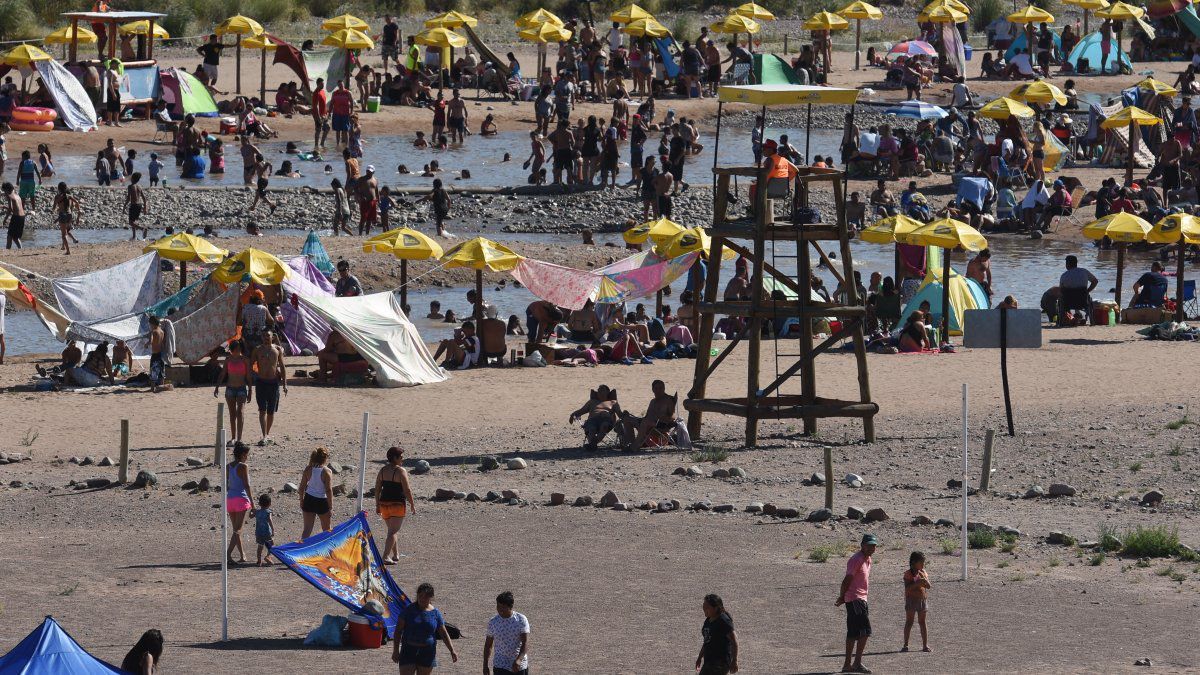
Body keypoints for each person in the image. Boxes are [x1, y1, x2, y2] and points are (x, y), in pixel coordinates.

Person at [837, 533, 877, 675]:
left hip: (859, 599)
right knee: (865, 631)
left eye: (874, 545)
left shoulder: (868, 559)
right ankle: (856, 663)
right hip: (855, 598)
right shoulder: (857, 559)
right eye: (869, 545)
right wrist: (842, 596)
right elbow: (847, 579)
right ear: (862, 545)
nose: (872, 548)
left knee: (854, 632)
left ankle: (848, 665)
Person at [375, 446, 416, 566]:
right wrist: (412, 504)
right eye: (401, 457)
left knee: (391, 530)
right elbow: (407, 489)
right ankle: (385, 556)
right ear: (395, 458)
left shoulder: (382, 470)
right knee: (393, 531)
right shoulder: (400, 471)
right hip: (397, 504)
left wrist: (377, 504)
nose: (402, 459)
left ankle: (396, 554)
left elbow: (377, 489)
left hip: (384, 504)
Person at [620, 379, 678, 451]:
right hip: (648, 424)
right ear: (653, 389)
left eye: (661, 388)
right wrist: (634, 417)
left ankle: (635, 446)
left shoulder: (668, 400)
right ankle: (631, 443)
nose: (658, 390)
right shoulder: (653, 401)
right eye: (656, 388)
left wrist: (663, 417)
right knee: (627, 419)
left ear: (664, 388)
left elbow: (672, 416)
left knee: (645, 422)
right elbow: (647, 416)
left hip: (661, 426)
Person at [251, 331, 287, 446]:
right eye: (264, 336)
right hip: (261, 382)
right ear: (261, 337)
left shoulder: (277, 350)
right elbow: (250, 364)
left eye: (268, 335)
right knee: (262, 410)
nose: (266, 337)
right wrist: (250, 379)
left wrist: (285, 384)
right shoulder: (257, 350)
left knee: (271, 411)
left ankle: (267, 434)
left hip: (273, 383)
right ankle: (264, 435)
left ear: (273, 337)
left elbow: (282, 366)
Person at [214, 339, 252, 445]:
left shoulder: (245, 360)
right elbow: (222, 374)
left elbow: (248, 376)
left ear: (241, 349)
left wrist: (250, 391)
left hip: (241, 388)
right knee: (232, 414)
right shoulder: (228, 360)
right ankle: (233, 437)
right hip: (230, 389)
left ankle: (239, 439)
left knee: (240, 412)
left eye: (238, 349)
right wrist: (217, 386)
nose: (236, 351)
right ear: (231, 349)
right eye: (234, 349)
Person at [484, 591, 530, 675]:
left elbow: (525, 642)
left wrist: (519, 660)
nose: (500, 610)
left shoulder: (521, 620)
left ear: (511, 607)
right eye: (498, 606)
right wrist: (485, 665)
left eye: (503, 607)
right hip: (500, 665)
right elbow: (488, 645)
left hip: (518, 666)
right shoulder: (493, 622)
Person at [224, 442, 256, 565]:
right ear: (243, 454)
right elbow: (247, 485)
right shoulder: (243, 466)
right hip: (241, 500)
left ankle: (242, 555)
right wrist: (253, 504)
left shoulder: (228, 466)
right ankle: (228, 553)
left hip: (230, 499)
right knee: (238, 530)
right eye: (247, 454)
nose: (247, 457)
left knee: (235, 530)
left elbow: (227, 484)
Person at [569, 384, 622, 451]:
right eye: (599, 390)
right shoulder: (592, 402)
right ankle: (593, 444)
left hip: (606, 420)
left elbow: (620, 414)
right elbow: (581, 411)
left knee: (604, 426)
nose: (600, 392)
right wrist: (572, 415)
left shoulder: (613, 402)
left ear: (607, 392)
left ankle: (592, 444)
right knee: (592, 429)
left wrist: (625, 415)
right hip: (592, 420)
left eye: (602, 390)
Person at [697, 593, 738, 675]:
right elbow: (707, 641)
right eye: (703, 606)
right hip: (709, 661)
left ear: (715, 608)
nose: (704, 609)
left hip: (720, 662)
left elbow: (734, 641)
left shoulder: (724, 621)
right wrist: (700, 657)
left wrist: (735, 660)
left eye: (707, 607)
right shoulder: (708, 619)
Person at [300, 447, 334, 539]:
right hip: (322, 501)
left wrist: (301, 500)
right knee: (327, 530)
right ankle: (328, 551)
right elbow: (328, 490)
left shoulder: (308, 469)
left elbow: (301, 487)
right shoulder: (327, 471)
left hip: (309, 499)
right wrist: (330, 507)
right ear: (325, 458)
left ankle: (302, 550)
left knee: (307, 530)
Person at [903, 550, 932, 653]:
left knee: (922, 622)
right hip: (911, 600)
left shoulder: (923, 572)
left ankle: (925, 645)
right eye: (921, 562)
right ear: (914, 562)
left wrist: (924, 580)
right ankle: (905, 644)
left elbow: (928, 586)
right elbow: (907, 588)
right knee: (909, 622)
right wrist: (917, 583)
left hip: (922, 600)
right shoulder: (908, 574)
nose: (923, 564)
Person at [1059, 255, 1098, 325]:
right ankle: (1089, 320)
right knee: (1087, 299)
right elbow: (1095, 281)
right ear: (1076, 263)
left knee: (1061, 299)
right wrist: (1088, 291)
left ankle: (1066, 319)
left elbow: (1061, 290)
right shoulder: (1084, 272)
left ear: (1067, 264)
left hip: (1068, 303)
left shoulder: (1064, 275)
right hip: (1083, 301)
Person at [52, 182, 81, 255]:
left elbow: (54, 208)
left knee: (63, 234)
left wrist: (55, 209)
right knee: (67, 231)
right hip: (69, 215)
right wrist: (78, 211)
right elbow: (77, 202)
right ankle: (65, 246)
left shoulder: (57, 197)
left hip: (62, 215)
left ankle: (68, 251)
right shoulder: (69, 196)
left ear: (58, 188)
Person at [330, 81, 354, 148]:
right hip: (336, 113)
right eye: (339, 85)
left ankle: (346, 145)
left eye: (342, 85)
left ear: (343, 85)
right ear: (337, 85)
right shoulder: (335, 93)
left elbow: (351, 102)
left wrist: (351, 112)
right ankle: (337, 144)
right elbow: (332, 103)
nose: (341, 86)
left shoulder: (348, 93)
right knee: (337, 130)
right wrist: (329, 112)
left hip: (345, 114)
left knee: (345, 130)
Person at [125, 172, 149, 239]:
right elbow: (144, 198)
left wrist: (124, 206)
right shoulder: (139, 187)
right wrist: (145, 208)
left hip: (134, 205)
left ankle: (142, 229)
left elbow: (128, 198)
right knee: (133, 221)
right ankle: (134, 236)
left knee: (130, 222)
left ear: (132, 178)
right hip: (139, 205)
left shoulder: (130, 186)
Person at [254, 493, 275, 566]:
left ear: (259, 503)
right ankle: (268, 556)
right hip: (266, 532)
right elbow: (270, 520)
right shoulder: (268, 512)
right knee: (271, 545)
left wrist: (251, 511)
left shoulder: (257, 512)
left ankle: (259, 561)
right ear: (270, 504)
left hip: (259, 532)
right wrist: (273, 529)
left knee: (260, 546)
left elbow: (250, 516)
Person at [312, 77, 330, 152]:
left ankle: (322, 143)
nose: (323, 85)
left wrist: (327, 112)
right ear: (318, 84)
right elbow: (315, 106)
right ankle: (316, 145)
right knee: (318, 130)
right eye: (322, 84)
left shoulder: (322, 91)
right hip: (318, 115)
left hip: (324, 114)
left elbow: (324, 103)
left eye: (323, 84)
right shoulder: (316, 93)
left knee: (327, 127)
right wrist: (318, 117)